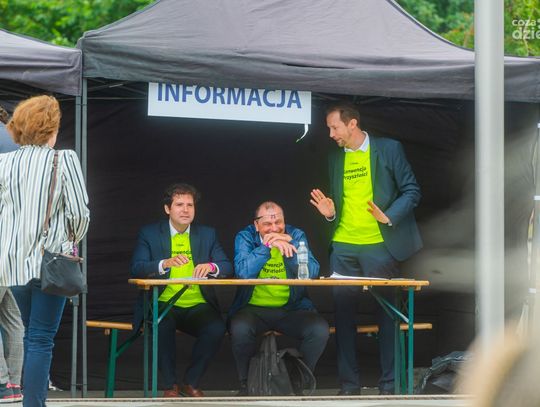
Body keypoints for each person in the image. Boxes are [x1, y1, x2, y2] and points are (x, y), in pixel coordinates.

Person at [310, 103, 422, 395]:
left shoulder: (388, 149)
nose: (331, 134)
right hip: (343, 247)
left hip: (379, 246)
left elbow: (412, 190)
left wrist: (389, 216)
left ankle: (389, 386)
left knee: (386, 315)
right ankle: (349, 386)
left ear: (352, 124)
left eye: (335, 127)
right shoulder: (335, 158)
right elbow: (339, 203)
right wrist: (330, 214)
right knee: (343, 317)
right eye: (329, 128)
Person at [1, 95, 90, 406]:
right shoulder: (64, 159)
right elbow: (80, 214)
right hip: (51, 260)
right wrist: (69, 241)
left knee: (31, 335)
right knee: (40, 339)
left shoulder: (4, 162)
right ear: (51, 128)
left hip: (12, 264)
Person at [131, 183, 233, 397]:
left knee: (216, 328)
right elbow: (137, 267)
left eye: (190, 205)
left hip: (197, 304)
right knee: (161, 327)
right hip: (163, 302)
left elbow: (226, 266)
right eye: (179, 205)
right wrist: (165, 263)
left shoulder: (207, 234)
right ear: (167, 209)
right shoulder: (149, 233)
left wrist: (211, 267)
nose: (186, 210)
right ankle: (170, 386)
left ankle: (191, 382)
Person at [229, 201, 329, 396]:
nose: (274, 228)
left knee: (319, 330)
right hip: (253, 309)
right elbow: (243, 272)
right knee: (239, 329)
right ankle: (247, 384)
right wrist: (267, 246)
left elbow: (312, 271)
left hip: (291, 308)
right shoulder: (245, 236)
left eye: (279, 223)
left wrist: (290, 246)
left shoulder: (296, 235)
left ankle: (298, 382)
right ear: (256, 225)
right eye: (267, 224)